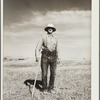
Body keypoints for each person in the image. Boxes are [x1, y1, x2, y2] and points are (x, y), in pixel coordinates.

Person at [35, 24, 59, 93]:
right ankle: (44, 88)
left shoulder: (56, 38)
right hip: (45, 56)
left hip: (54, 56)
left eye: (51, 28)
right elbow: (38, 47)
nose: (50, 29)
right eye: (49, 28)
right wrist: (37, 56)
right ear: (47, 29)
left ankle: (51, 88)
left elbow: (58, 48)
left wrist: (59, 58)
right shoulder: (43, 37)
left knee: (53, 73)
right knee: (44, 73)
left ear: (53, 29)